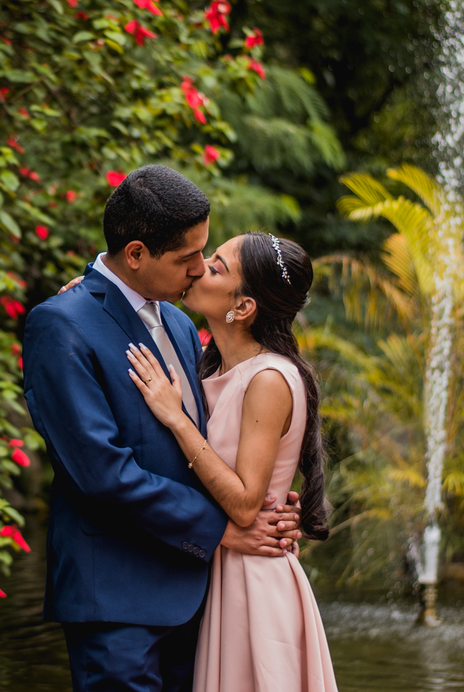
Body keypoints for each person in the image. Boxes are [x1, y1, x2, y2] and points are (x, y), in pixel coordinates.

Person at [23, 165, 303, 692]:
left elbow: (211, 438)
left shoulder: (178, 323)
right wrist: (223, 529)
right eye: (186, 258)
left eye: (204, 253)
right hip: (118, 600)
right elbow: (102, 474)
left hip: (200, 594)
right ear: (136, 254)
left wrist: (270, 504)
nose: (199, 269)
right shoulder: (61, 324)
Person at [123, 231, 338, 691]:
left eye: (216, 266)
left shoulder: (269, 378)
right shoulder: (209, 365)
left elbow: (244, 504)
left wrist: (176, 419)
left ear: (242, 307)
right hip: (216, 571)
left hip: (253, 584)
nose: (198, 267)